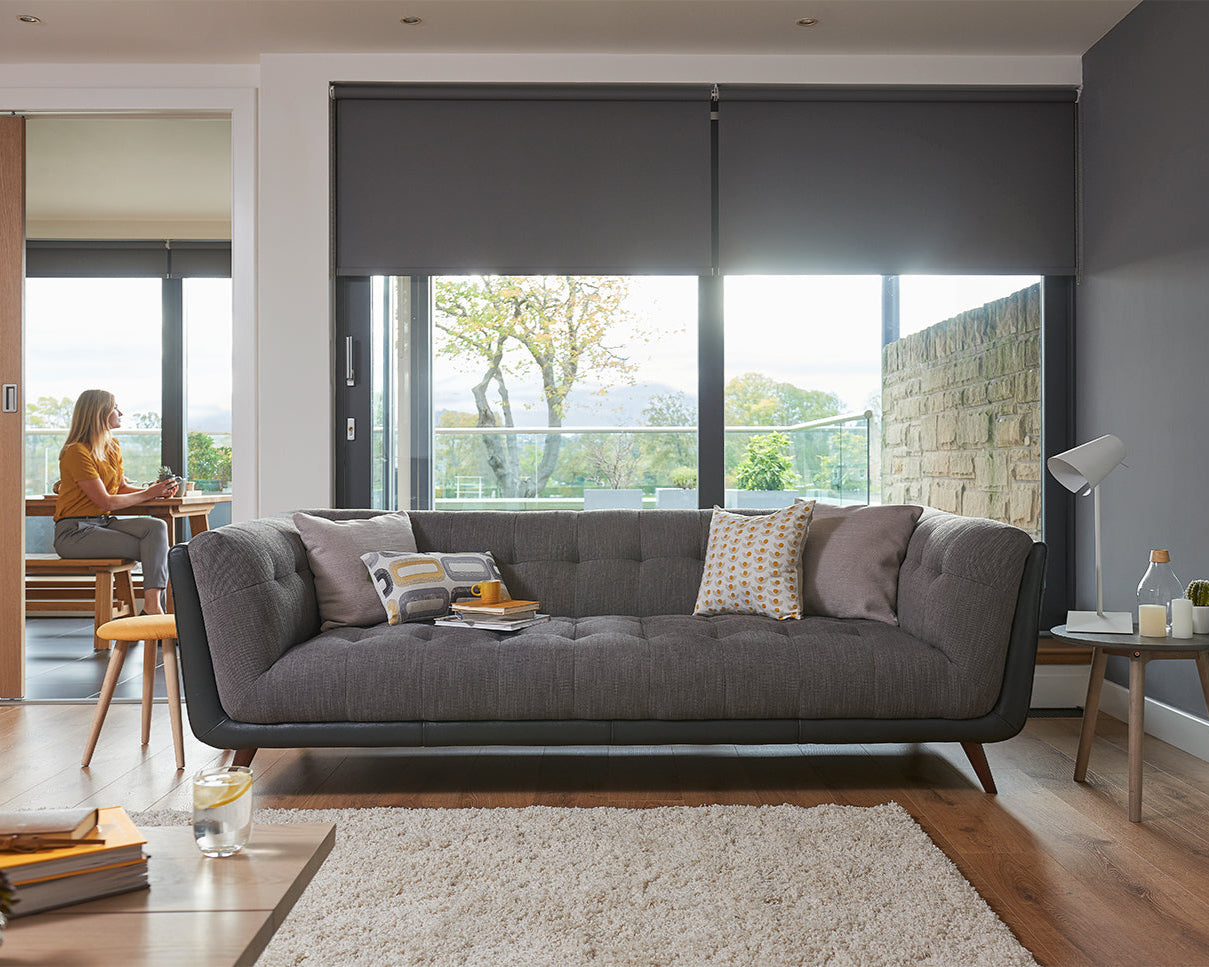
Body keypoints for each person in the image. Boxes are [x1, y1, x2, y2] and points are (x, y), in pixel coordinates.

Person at [53, 389, 178, 615]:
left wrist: (158, 492)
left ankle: (152, 606)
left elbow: (120, 489)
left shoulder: (112, 447)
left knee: (157, 527)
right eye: (115, 408)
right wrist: (149, 492)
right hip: (74, 533)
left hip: (103, 524)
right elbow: (106, 501)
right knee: (155, 549)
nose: (120, 412)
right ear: (99, 413)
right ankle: (156, 611)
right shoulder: (76, 452)